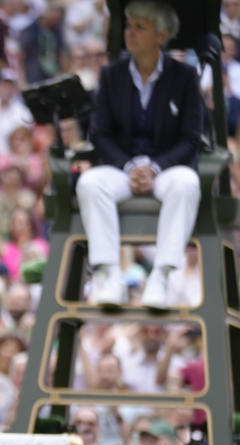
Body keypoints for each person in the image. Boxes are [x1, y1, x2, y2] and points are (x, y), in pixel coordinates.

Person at [77, 0, 202, 309]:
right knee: (89, 183)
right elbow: (100, 134)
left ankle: (161, 275)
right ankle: (110, 274)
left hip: (166, 170)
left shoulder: (185, 77)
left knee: (187, 183)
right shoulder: (111, 75)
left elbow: (191, 139)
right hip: (123, 168)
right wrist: (130, 166)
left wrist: (156, 168)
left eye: (139, 27)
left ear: (161, 35)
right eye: (129, 25)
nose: (129, 33)